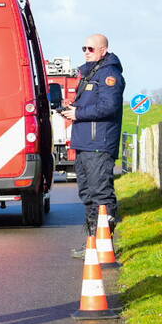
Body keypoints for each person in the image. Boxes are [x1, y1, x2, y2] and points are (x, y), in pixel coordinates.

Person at [61, 34, 125, 258]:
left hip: (99, 144)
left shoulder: (109, 74)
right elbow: (93, 103)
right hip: (84, 143)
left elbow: (108, 107)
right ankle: (92, 242)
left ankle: (104, 244)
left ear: (103, 50)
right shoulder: (91, 73)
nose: (86, 51)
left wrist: (78, 113)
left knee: (101, 194)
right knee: (87, 194)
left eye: (91, 48)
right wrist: (73, 105)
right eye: (84, 48)